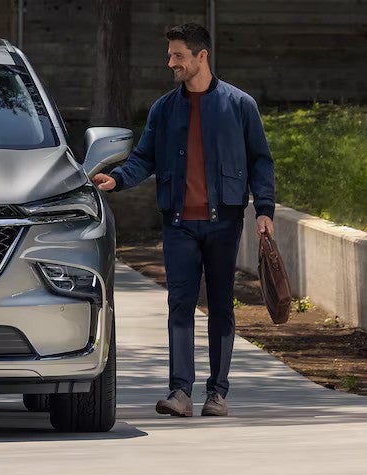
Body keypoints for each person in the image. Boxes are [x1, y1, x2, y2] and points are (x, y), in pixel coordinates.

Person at [92, 23, 276, 418]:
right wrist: (119, 178)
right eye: (170, 55)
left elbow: (261, 160)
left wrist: (265, 210)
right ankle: (180, 392)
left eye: (177, 55)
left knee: (222, 306)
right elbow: (144, 157)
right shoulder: (164, 108)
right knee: (180, 304)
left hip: (224, 222)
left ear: (201, 56)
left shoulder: (240, 105)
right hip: (178, 223)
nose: (170, 62)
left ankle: (218, 393)